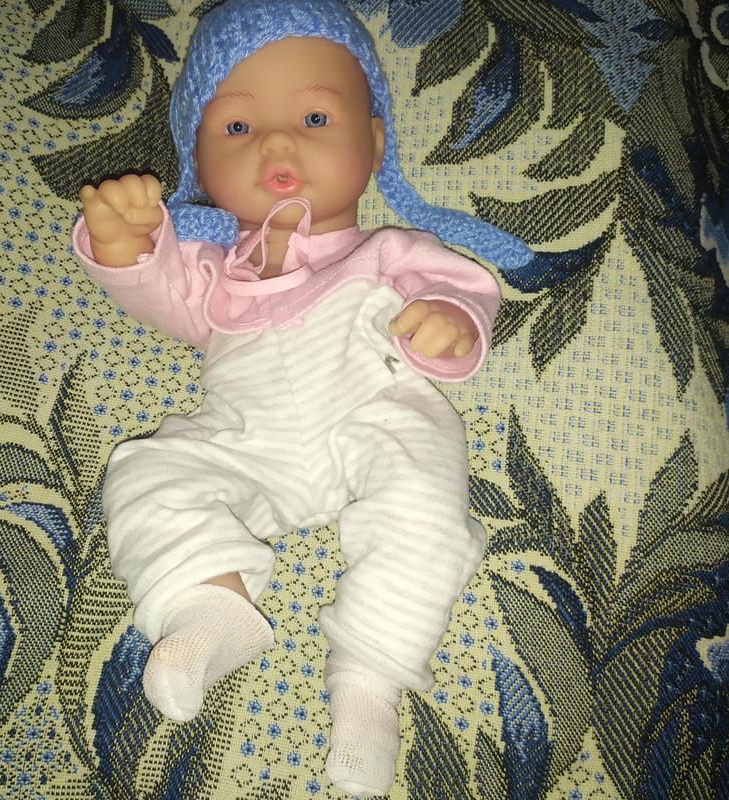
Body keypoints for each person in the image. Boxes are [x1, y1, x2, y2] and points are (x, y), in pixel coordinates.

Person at [73, 0, 531, 794]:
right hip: (250, 444)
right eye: (237, 128)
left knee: (427, 517)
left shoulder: (387, 252)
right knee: (146, 472)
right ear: (199, 164)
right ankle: (210, 606)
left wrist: (450, 322)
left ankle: (368, 687)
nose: (278, 143)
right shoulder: (216, 277)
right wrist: (124, 244)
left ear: (375, 143)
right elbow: (157, 291)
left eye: (316, 117)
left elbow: (464, 291)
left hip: (378, 417)